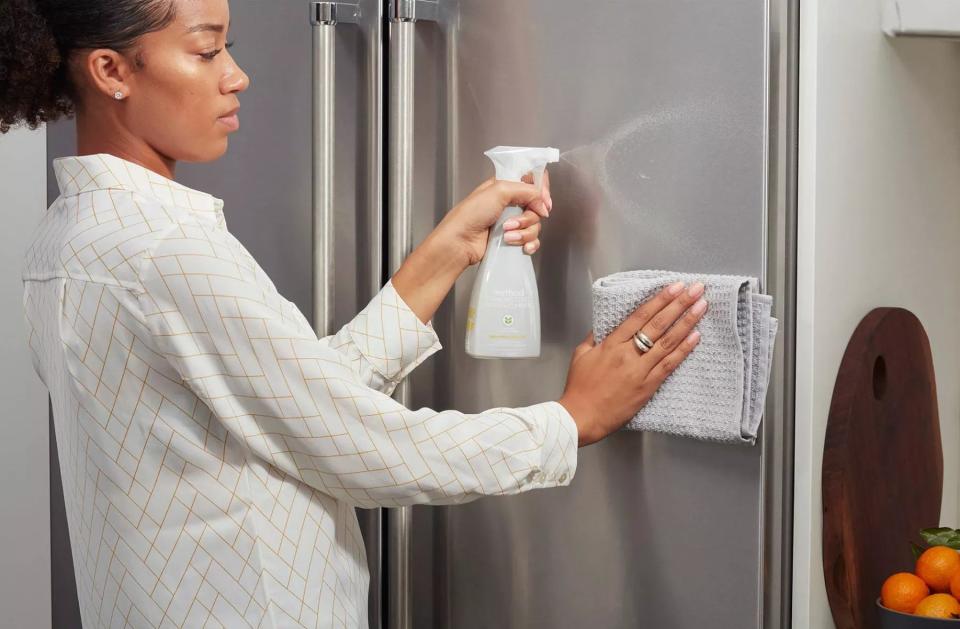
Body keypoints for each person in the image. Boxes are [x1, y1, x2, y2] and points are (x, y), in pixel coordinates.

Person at [1, 0, 708, 626]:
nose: (236, 75)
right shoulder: (168, 253)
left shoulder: (63, 242)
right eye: (207, 48)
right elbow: (362, 448)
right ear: (111, 70)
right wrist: (569, 419)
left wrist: (440, 257)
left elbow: (294, 407)